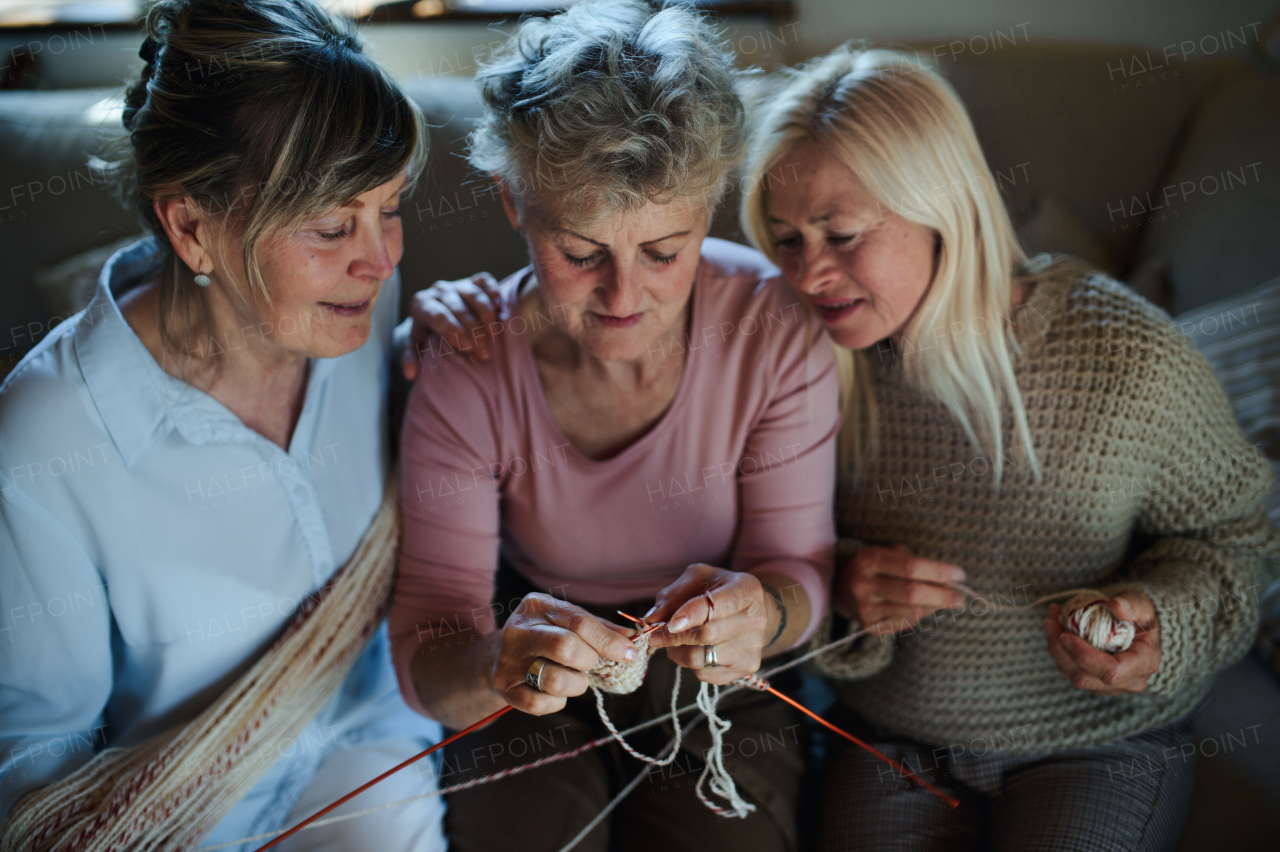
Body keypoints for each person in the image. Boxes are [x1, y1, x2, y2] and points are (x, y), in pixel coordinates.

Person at [737, 47, 1278, 851]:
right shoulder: (797, 362)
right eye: (785, 240)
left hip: (1099, 742)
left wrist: (1162, 621)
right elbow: (759, 556)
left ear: (943, 208)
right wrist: (847, 586)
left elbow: (1238, 537)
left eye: (841, 234)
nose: (810, 274)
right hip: (893, 743)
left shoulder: (1123, 357)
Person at [389, 2, 840, 851]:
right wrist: (495, 664)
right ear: (512, 202)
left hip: (724, 689)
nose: (624, 298)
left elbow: (798, 577)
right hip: (527, 665)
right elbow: (429, 649)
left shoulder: (771, 333)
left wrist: (764, 616)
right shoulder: (470, 358)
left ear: (711, 205)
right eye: (582, 251)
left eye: (665, 251)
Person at [0, 1, 447, 849]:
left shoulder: (360, 304)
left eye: (390, 206)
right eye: (329, 225)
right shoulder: (45, 438)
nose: (381, 256)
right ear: (191, 228)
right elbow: (37, 772)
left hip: (380, 765)